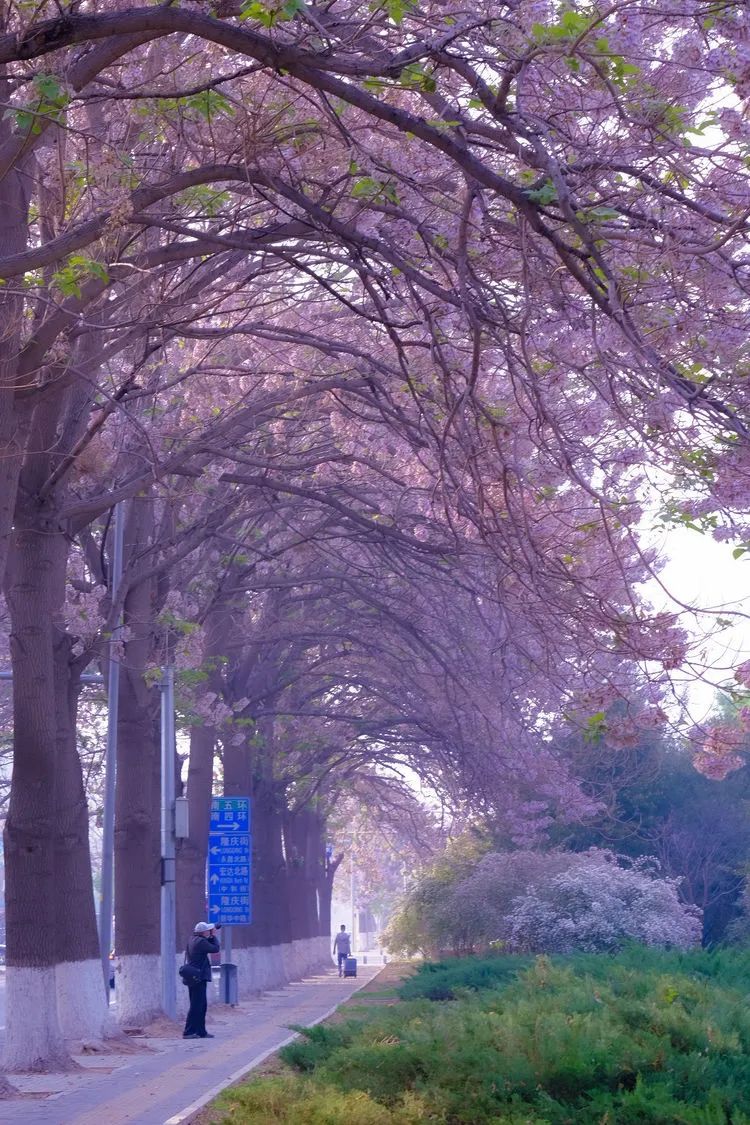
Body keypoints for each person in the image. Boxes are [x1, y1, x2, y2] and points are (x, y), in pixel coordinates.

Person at [183, 921, 220, 1039]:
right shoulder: (200, 941)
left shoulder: (193, 939)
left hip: (194, 976)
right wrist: (213, 936)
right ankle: (189, 1032)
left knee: (200, 1005)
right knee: (196, 1005)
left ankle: (200, 1031)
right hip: (198, 977)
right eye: (208, 930)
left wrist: (210, 935)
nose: (209, 931)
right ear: (203, 932)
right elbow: (215, 949)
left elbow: (207, 946)